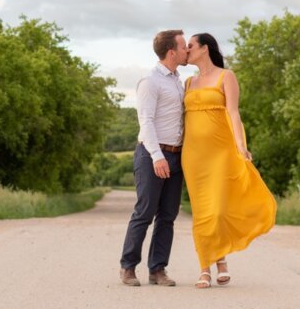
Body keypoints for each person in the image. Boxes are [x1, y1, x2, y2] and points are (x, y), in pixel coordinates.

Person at [182, 32, 276, 288]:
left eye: (190, 46)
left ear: (205, 48)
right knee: (202, 212)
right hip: (193, 155)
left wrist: (240, 146)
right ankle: (205, 267)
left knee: (219, 209)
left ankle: (220, 261)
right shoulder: (188, 82)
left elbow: (234, 114)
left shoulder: (226, 76)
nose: (186, 50)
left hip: (221, 153)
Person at [118, 29, 189, 287]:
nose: (187, 51)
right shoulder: (150, 81)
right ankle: (128, 267)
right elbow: (145, 121)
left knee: (168, 215)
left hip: (176, 156)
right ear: (171, 51)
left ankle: (157, 269)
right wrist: (157, 156)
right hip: (152, 154)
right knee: (145, 212)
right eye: (183, 47)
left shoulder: (177, 80)